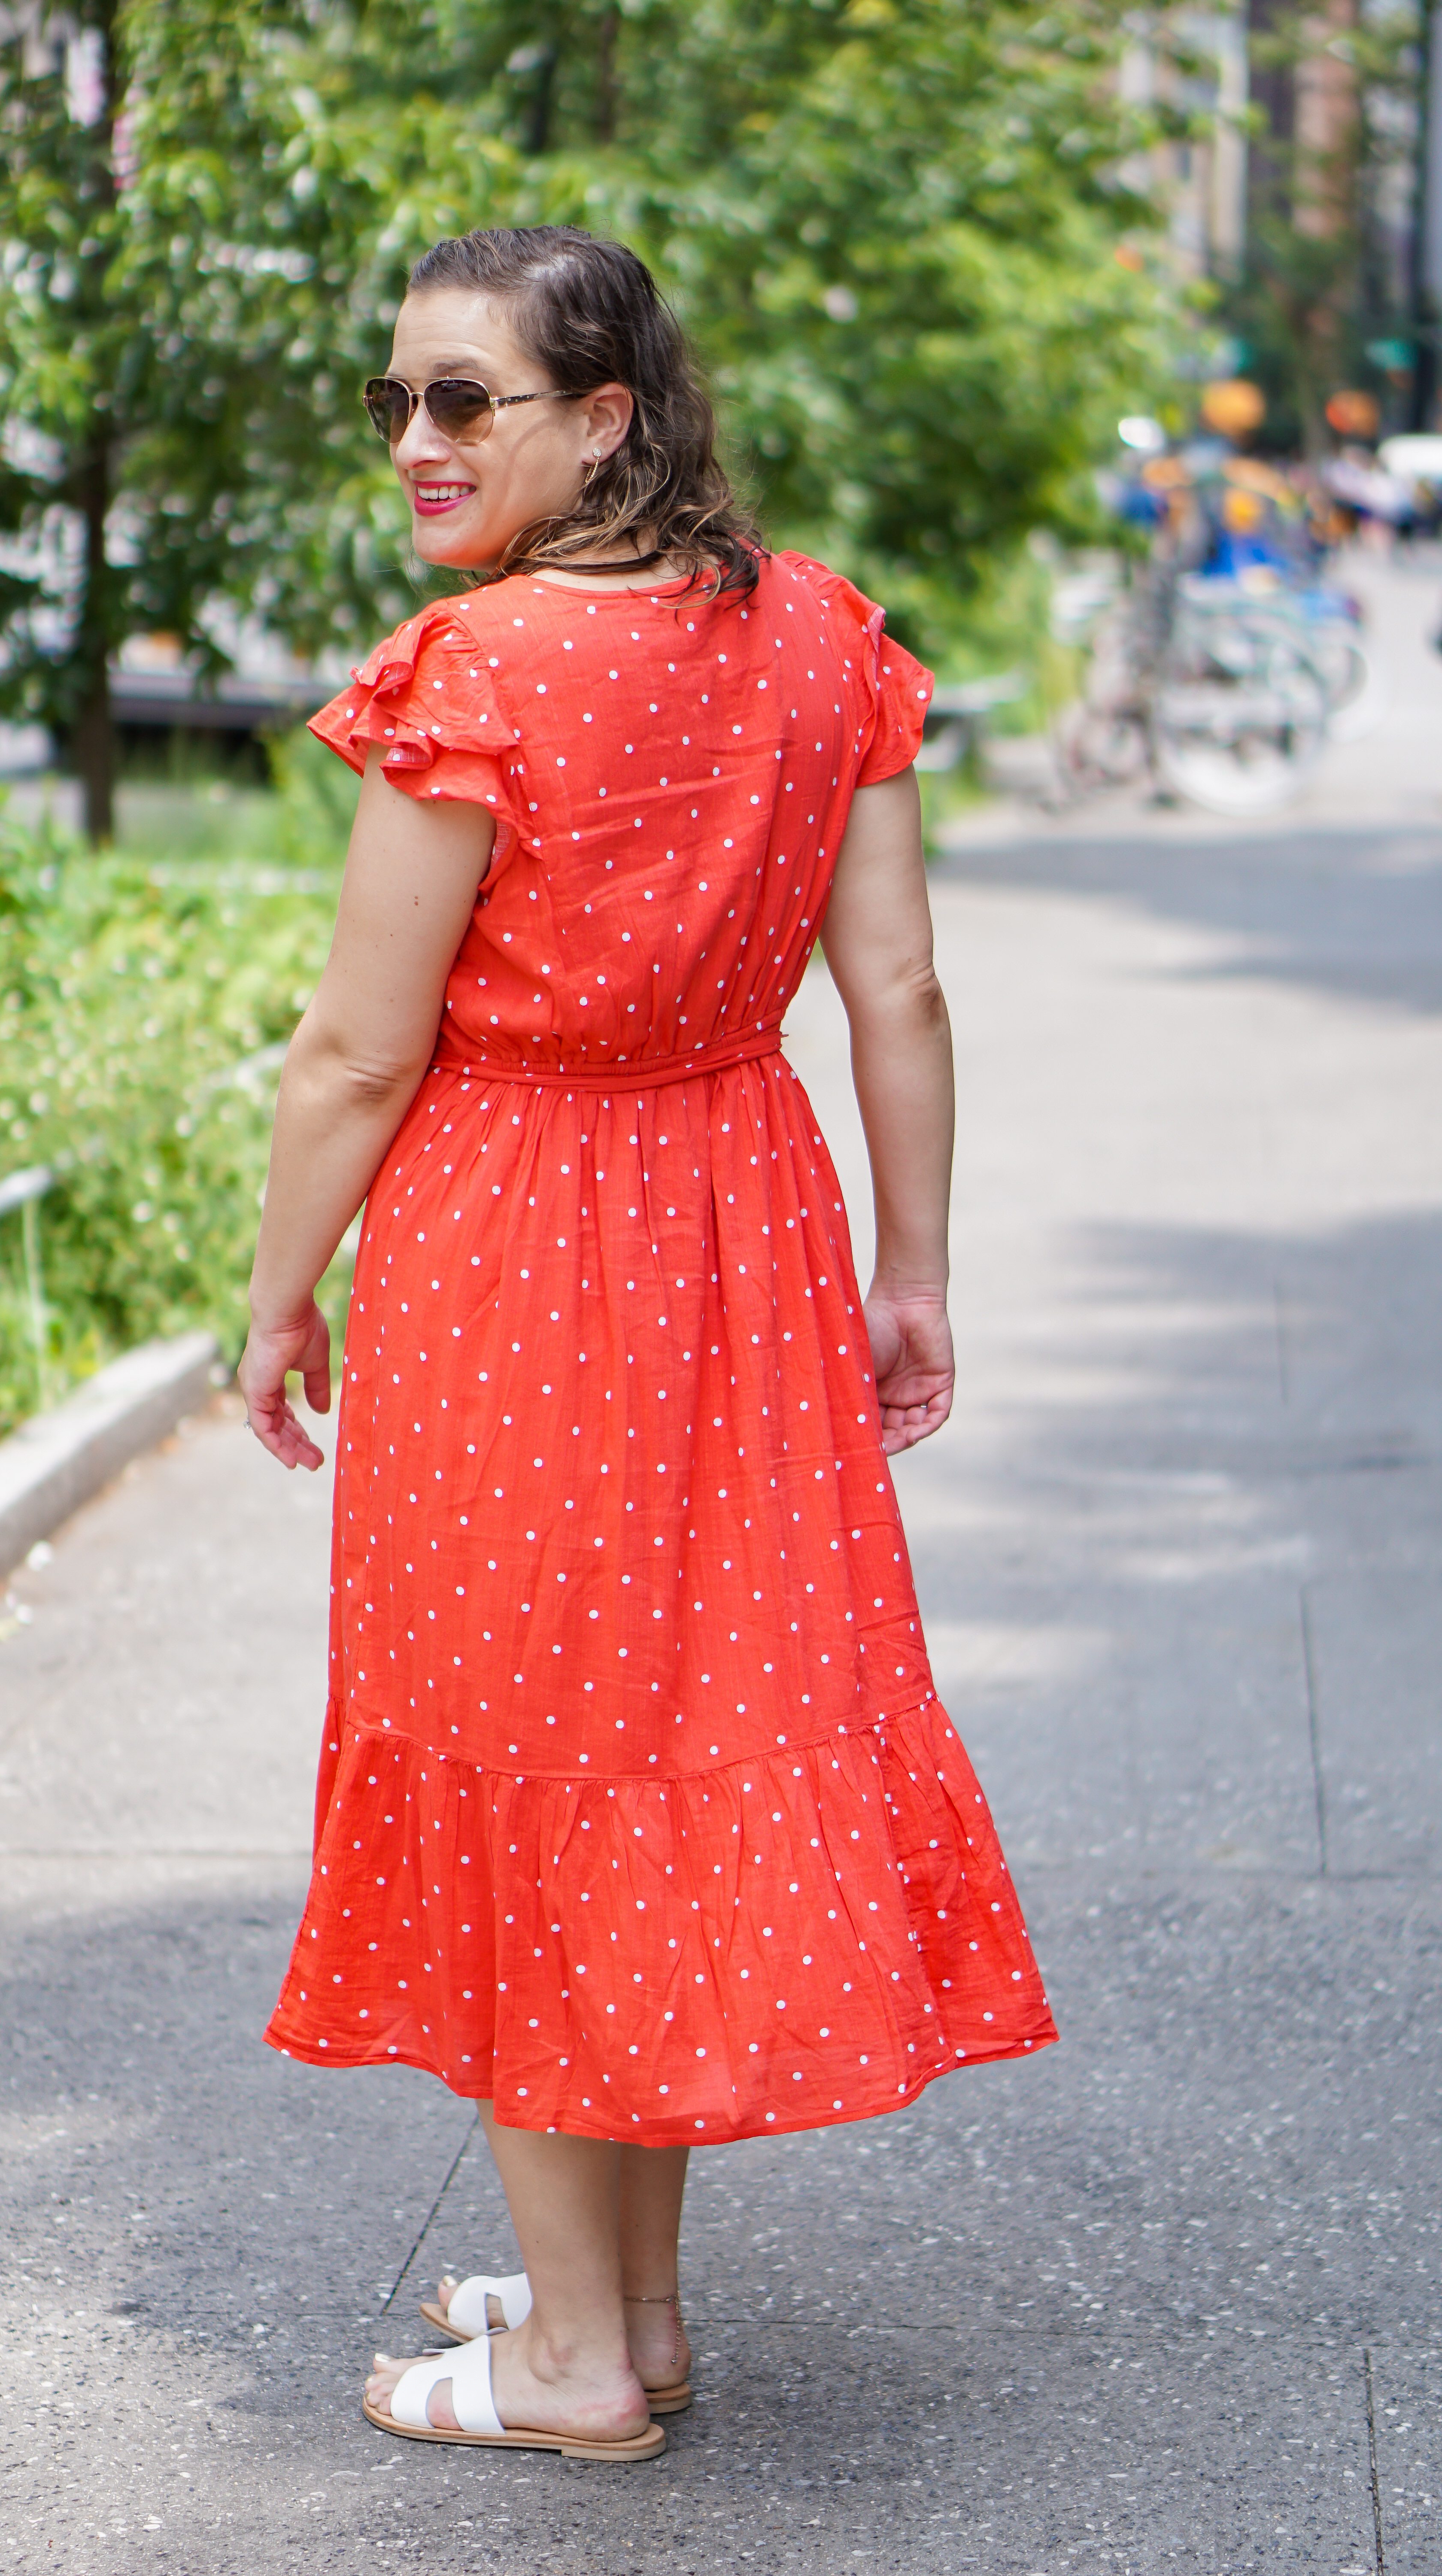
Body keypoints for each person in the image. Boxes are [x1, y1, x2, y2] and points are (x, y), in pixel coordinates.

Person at [241, 225, 1056, 2463]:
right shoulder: (824, 641)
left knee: (526, 1759)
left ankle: (579, 2367)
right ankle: (634, 2313)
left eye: (463, 401)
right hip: (741, 1236)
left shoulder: (473, 674)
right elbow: (896, 990)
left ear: (609, 417)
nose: (416, 441)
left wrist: (273, 1294)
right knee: (658, 1756)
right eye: (395, 399)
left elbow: (350, 1053)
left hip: (517, 1259)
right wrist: (919, 1264)